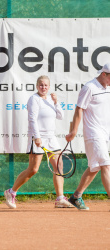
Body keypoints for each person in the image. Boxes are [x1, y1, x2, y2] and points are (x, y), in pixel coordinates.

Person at [4, 75, 73, 209]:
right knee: (33, 169)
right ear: (37, 86)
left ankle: (60, 199)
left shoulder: (50, 100)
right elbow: (32, 119)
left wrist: (56, 102)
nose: (43, 87)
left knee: (58, 167)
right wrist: (37, 137)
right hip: (38, 137)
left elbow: (60, 116)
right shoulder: (33, 99)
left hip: (51, 138)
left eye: (46, 85)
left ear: (49, 86)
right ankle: (11, 192)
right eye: (41, 85)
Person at [66, 63, 110, 210]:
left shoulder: (107, 87)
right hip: (93, 133)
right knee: (106, 165)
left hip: (104, 134)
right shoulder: (89, 88)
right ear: (104, 74)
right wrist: (73, 131)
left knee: (94, 167)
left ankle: (76, 197)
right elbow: (79, 109)